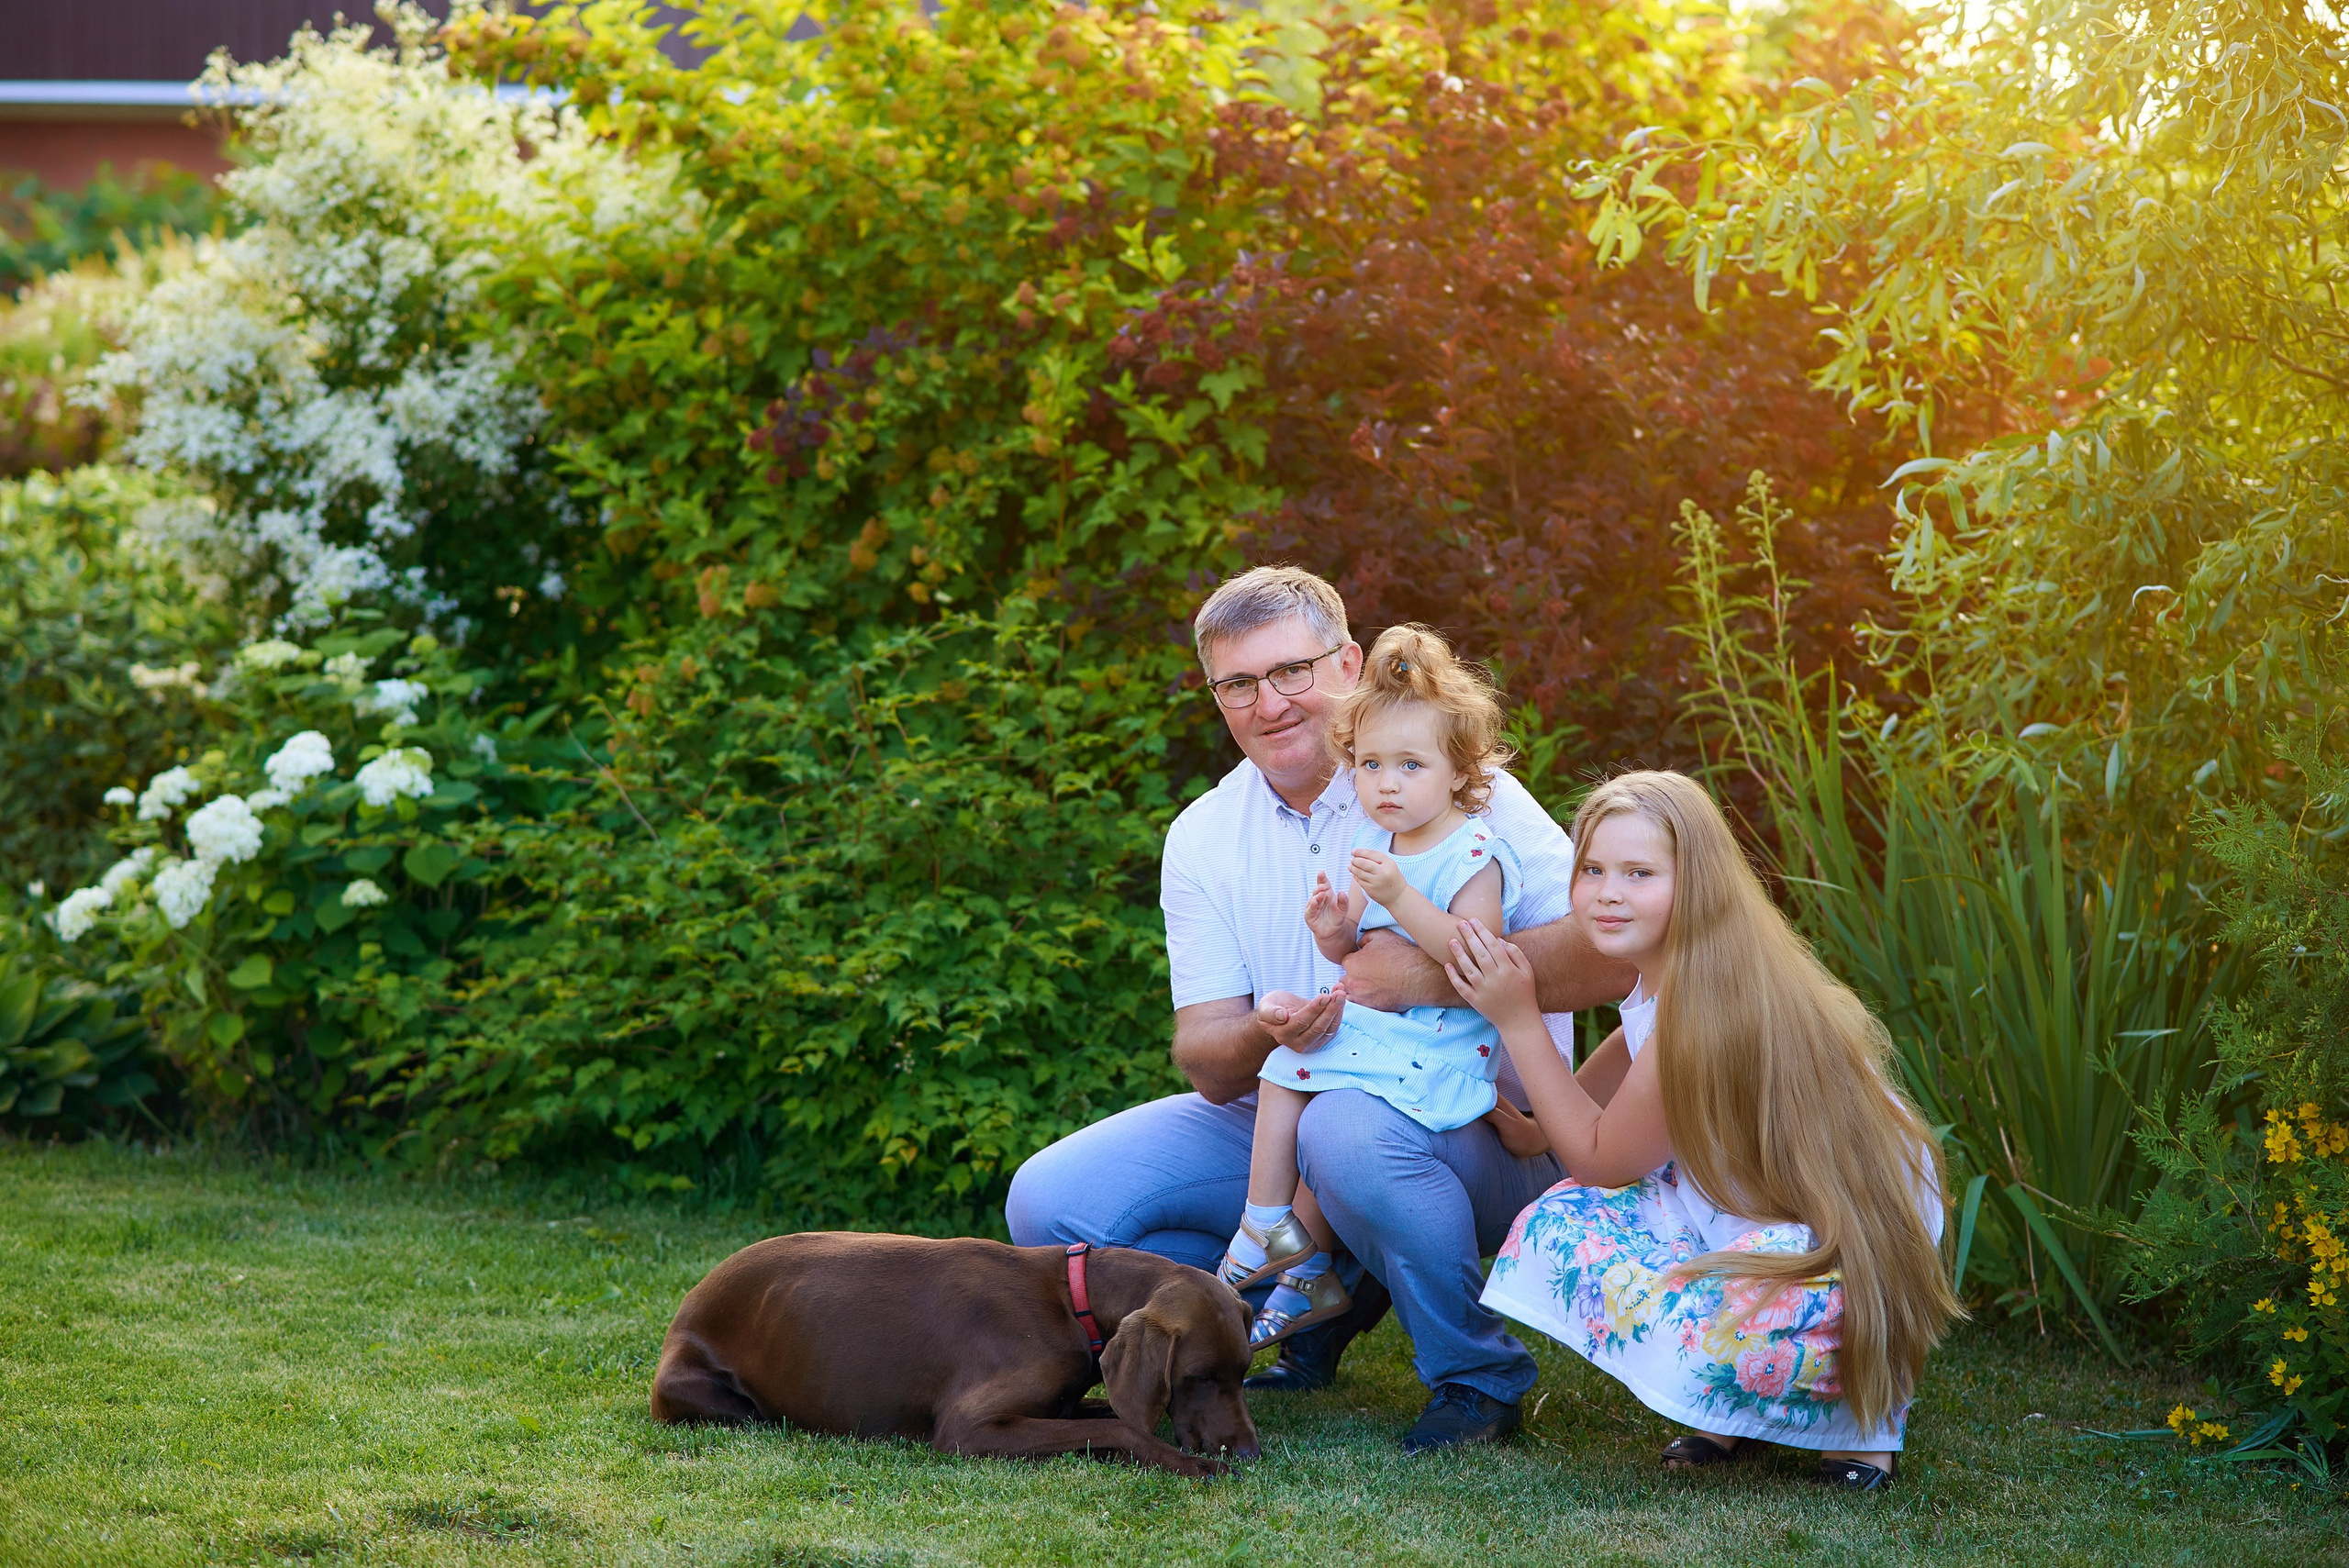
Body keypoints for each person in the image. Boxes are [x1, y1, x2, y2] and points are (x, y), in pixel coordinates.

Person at [1005, 565, 1635, 1454]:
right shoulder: (1203, 833)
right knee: (1052, 1201)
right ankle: (1291, 1302)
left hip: (1474, 1120)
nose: (1269, 704)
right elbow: (1204, 1054)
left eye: (1291, 670)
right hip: (1288, 1101)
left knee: (1346, 1129)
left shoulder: (1451, 785)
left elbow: (1610, 954)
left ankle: (1475, 1373)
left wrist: (1419, 974)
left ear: (1347, 662)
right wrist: (1268, 1026)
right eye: (1238, 683)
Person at [1447, 771, 1960, 1490]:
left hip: (1843, 1219)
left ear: (1696, 882)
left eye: (1639, 873)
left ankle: (1863, 1427)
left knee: (1711, 1318)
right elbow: (1634, 1039)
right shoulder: (1679, 965)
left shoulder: (1707, 1003)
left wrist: (1518, 1018)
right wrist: (1539, 1130)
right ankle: (1734, 1410)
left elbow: (1599, 1158)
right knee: (1562, 1222)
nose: (1609, 892)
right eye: (1593, 870)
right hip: (1745, 1195)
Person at [1219, 625, 1526, 1351]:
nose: (1387, 783)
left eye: (1411, 765)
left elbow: (1474, 956)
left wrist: (1400, 896)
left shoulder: (1474, 851)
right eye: (1371, 764)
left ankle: (1277, 1238)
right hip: (1391, 1035)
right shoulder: (1379, 844)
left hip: (1445, 1049)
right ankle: (1285, 1242)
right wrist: (1331, 928)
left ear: (1459, 772)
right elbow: (1352, 948)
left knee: (1305, 1085)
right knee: (1289, 1064)